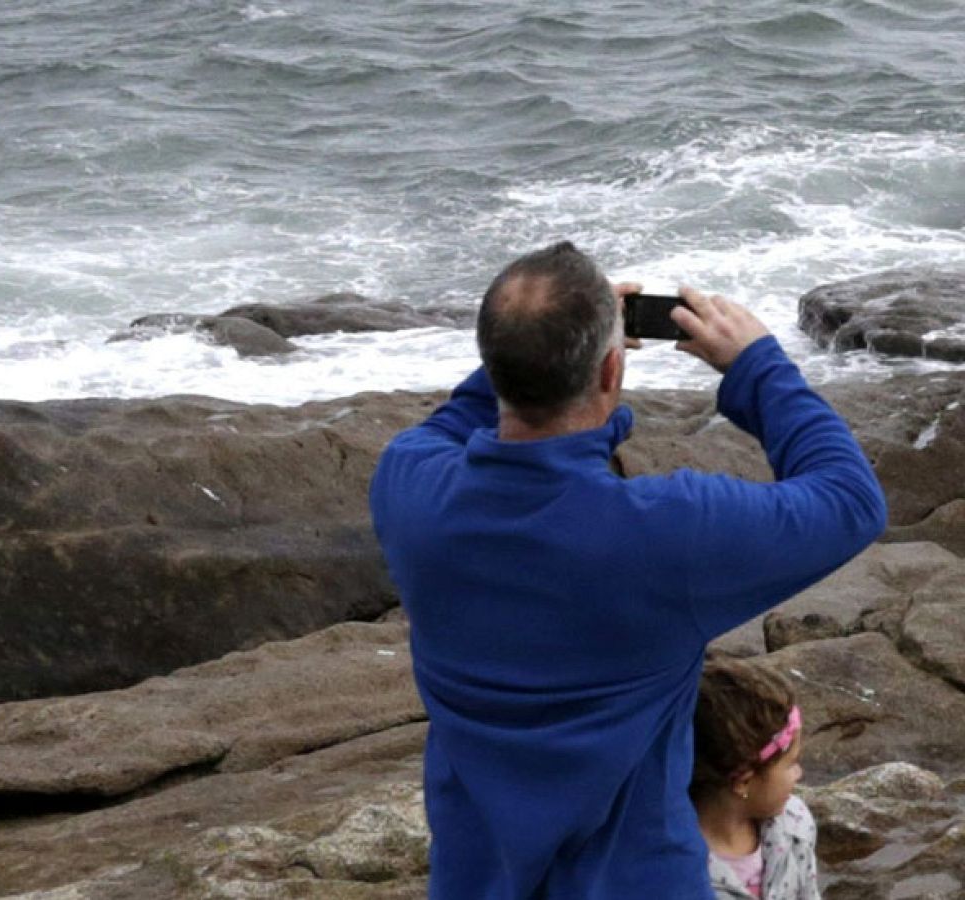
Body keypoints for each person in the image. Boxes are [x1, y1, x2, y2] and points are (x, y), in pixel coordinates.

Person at [368, 241, 885, 899]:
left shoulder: (410, 493)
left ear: (494, 365)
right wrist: (757, 365)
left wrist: (531, 350)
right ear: (611, 368)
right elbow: (851, 500)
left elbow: (451, 426)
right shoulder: (664, 533)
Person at [692, 659, 819, 900]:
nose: (799, 774)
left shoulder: (796, 822)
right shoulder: (677, 868)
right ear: (744, 781)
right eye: (791, 764)